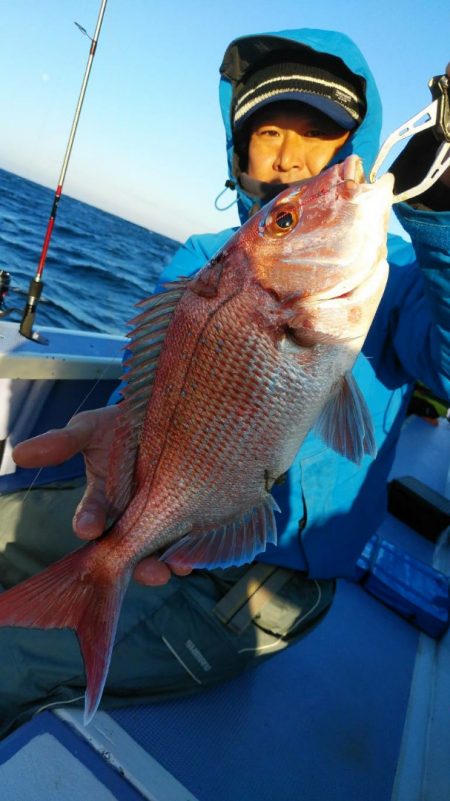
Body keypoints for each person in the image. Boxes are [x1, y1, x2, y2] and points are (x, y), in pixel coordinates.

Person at [1, 28, 449, 736]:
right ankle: (103, 568)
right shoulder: (204, 262)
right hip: (151, 504)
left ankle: (92, 593)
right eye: (269, 131)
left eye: (320, 132)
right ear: (237, 157)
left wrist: (441, 216)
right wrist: (122, 439)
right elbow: (158, 383)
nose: (293, 155)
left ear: (353, 149)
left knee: (10, 663)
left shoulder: (398, 277)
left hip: (270, 581)